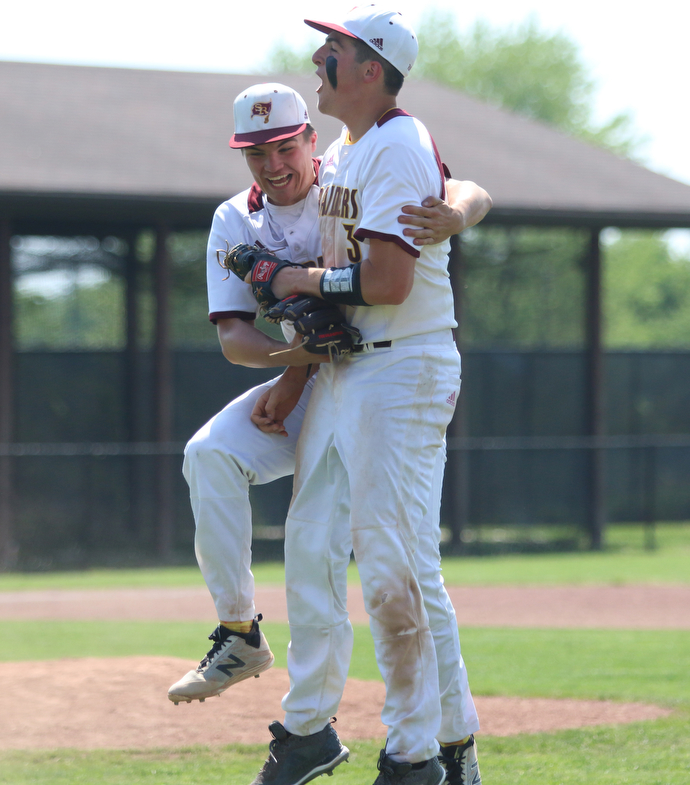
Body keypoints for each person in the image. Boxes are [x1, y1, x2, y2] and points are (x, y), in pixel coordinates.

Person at [168, 80, 490, 727]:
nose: (273, 164)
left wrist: (459, 212)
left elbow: (456, 186)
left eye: (284, 147)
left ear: (309, 141)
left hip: (370, 382)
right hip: (308, 378)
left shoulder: (342, 182)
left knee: (338, 555)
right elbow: (234, 337)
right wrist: (291, 366)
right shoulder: (234, 219)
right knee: (208, 456)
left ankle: (404, 735)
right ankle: (238, 632)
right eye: (256, 154)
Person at [240, 6, 485, 785]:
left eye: (334, 49)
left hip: (402, 365)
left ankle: (412, 756)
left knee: (389, 569)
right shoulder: (355, 149)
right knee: (394, 563)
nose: (318, 57)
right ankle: (453, 757)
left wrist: (302, 281)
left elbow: (384, 284)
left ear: (371, 67)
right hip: (355, 368)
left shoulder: (395, 143)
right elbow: (458, 191)